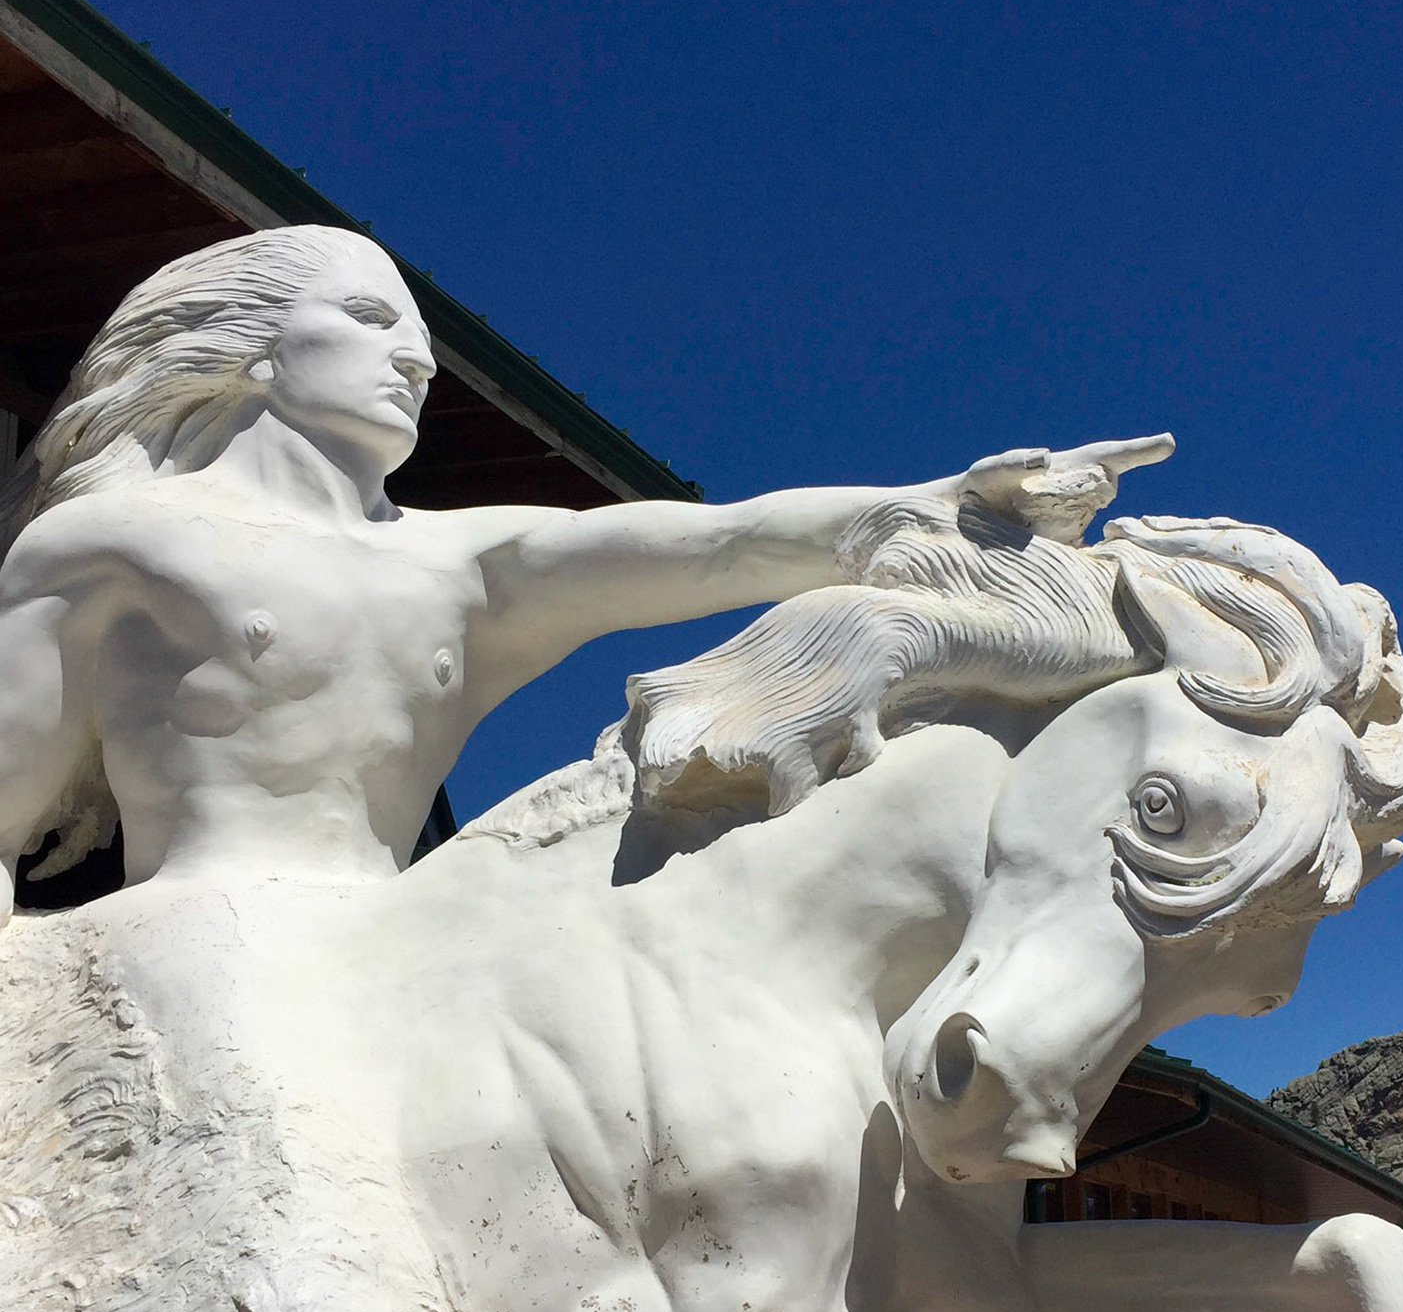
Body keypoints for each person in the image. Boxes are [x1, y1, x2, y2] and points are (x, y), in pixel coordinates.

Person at [0, 225, 1169, 921]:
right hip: (197, 951)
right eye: (368, 318)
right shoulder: (118, 540)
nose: (416, 361)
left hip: (396, 946)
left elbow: (731, 540)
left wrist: (942, 502)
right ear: (251, 348)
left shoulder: (460, 560)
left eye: (418, 336)